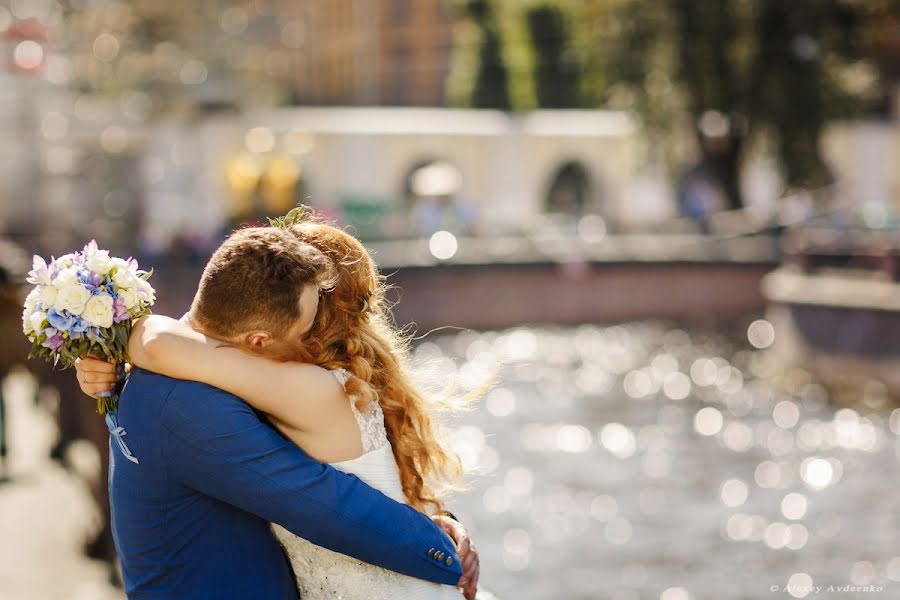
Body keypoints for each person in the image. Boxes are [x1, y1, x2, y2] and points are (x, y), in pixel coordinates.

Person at [76, 224, 481, 599]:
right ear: (258, 339)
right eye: (299, 331)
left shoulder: (218, 376)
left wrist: (120, 341)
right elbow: (326, 504)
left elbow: (157, 342)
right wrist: (440, 550)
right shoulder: (188, 401)